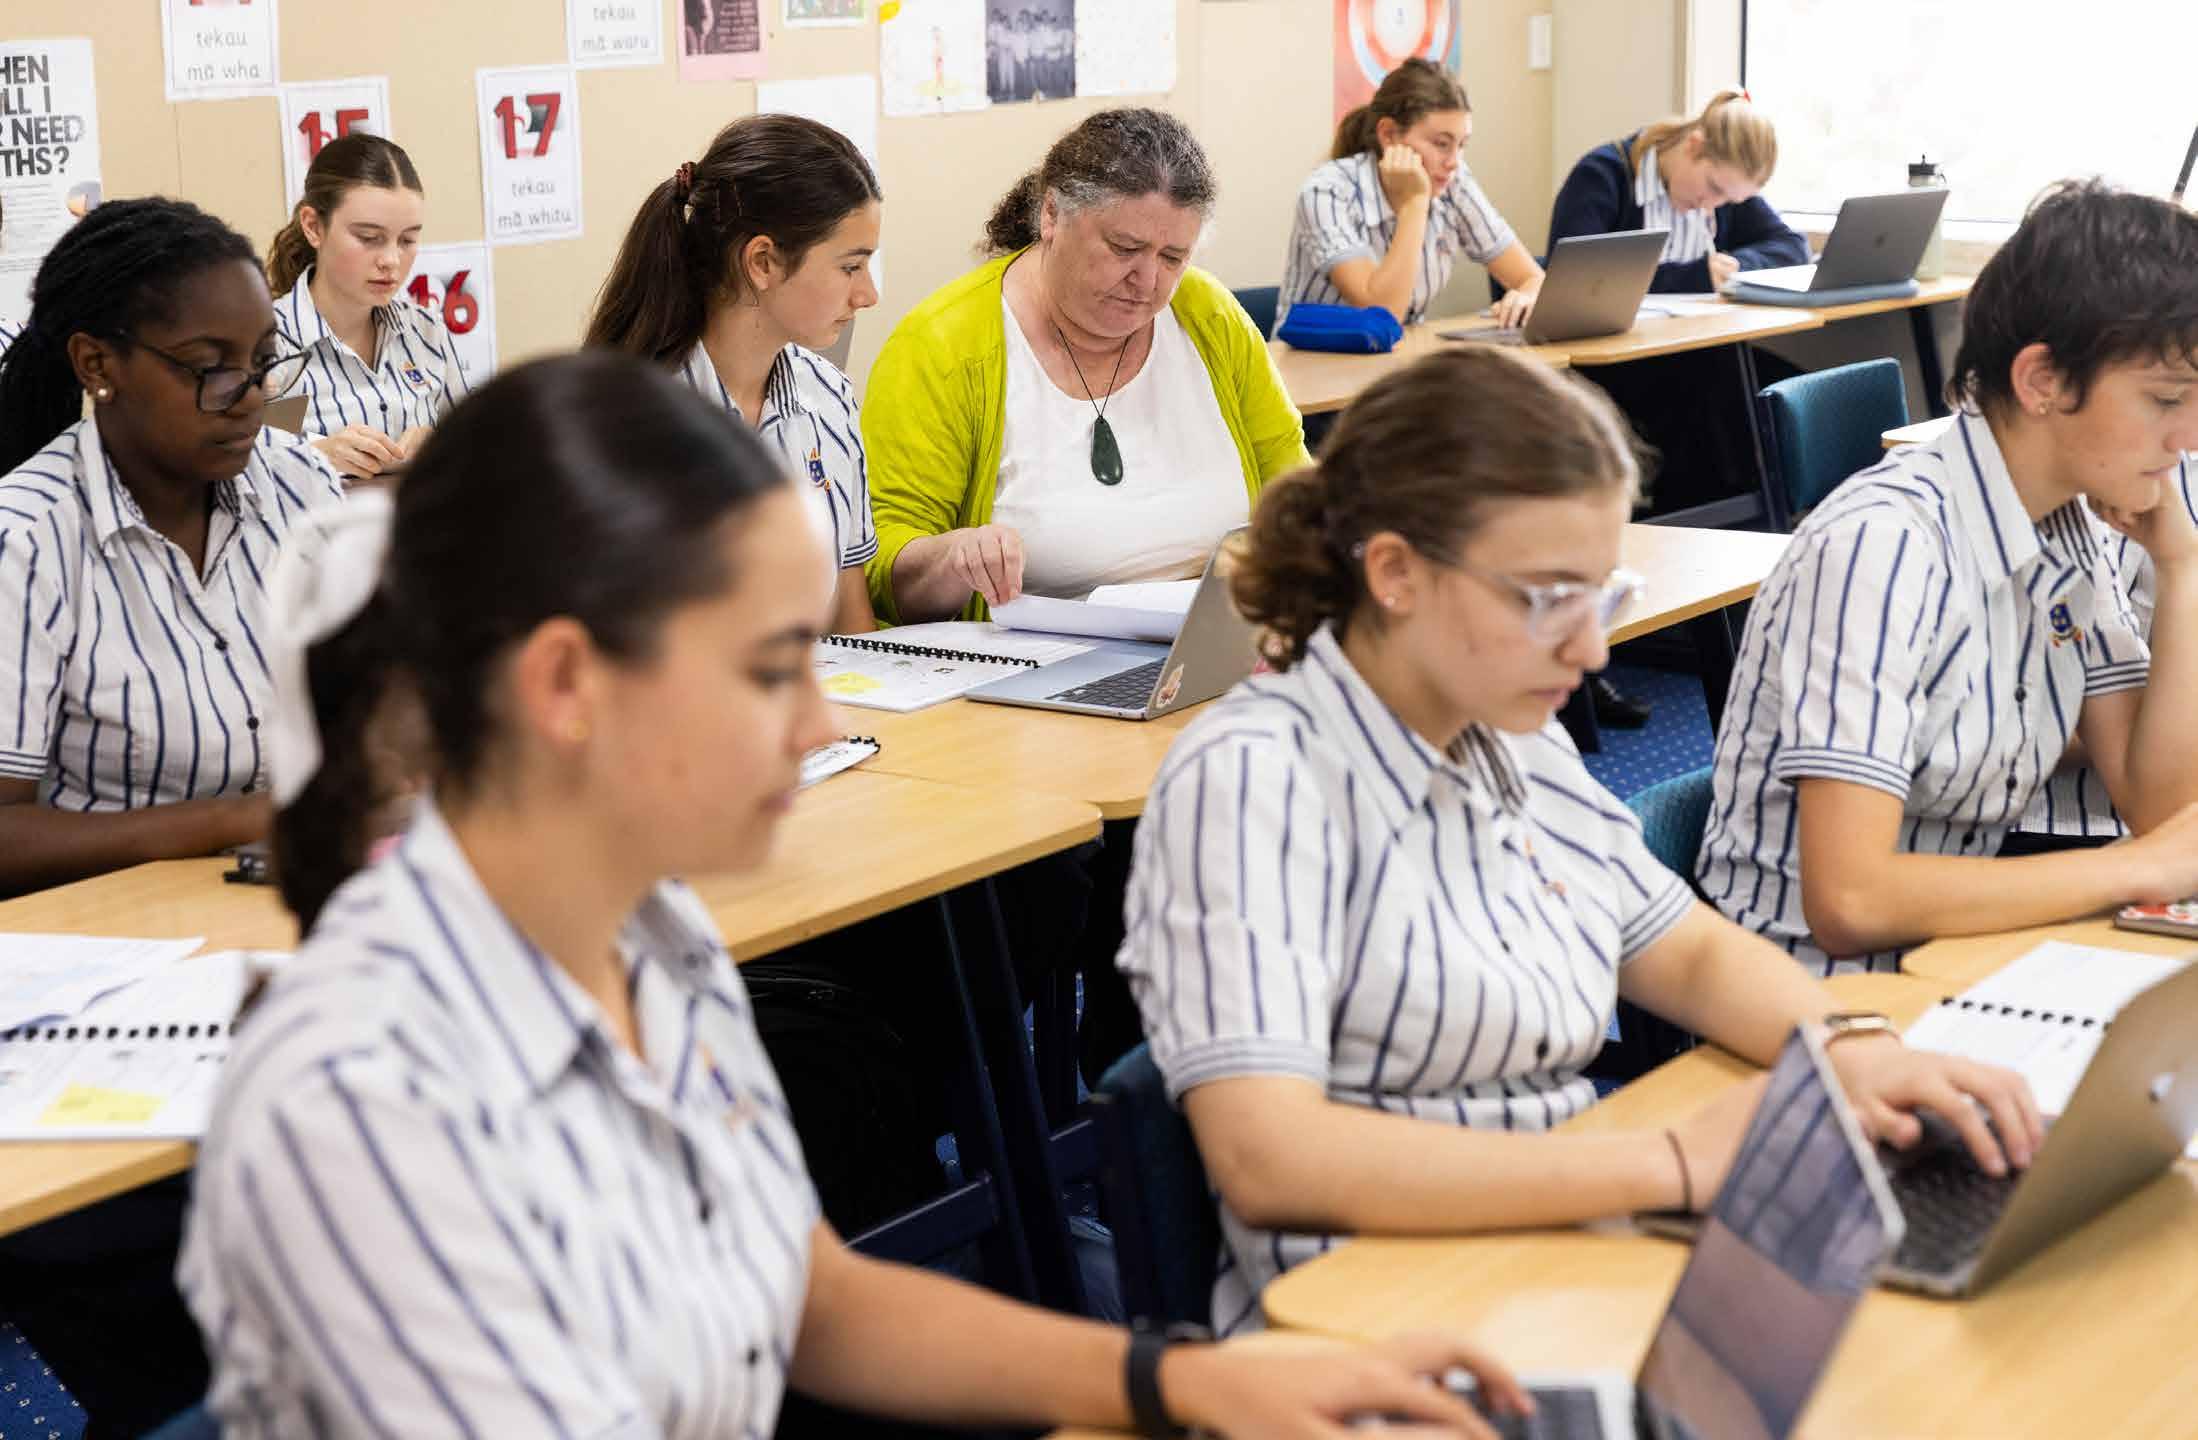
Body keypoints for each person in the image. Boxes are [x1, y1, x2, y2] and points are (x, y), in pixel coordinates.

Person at [179, 348, 1532, 1440]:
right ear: (566, 685)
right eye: (773, 667)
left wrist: (1180, 1382)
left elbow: (810, 1296)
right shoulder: (362, 1095)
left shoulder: (653, 937)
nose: (823, 721)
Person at [1115, 346, 2041, 1337]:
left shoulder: (1505, 732)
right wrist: (1669, 1163)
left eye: (1600, 597)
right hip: (1381, 1317)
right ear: (1394, 572)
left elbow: (1684, 950)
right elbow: (1272, 1161)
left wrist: (1848, 1047)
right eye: (1548, 597)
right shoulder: (1253, 779)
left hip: (1559, 1241)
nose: (1593, 650)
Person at [1697, 179, 2198, 973]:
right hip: (1808, 995)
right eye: (2167, 399)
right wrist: (2139, 869)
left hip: (1947, 954)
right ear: (2042, 381)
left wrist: (2183, 566)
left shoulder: (2066, 523)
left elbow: (2161, 807)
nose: (2190, 436)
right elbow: (1850, 901)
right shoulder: (1883, 547)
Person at [0, 197, 338, 898]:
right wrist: (236, 820)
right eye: (210, 368)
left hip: (291, 906)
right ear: (97, 364)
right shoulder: (26, 541)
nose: (251, 396)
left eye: (263, 362)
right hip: (106, 938)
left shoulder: (301, 486)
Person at [864, 107, 1307, 623]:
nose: (1148, 281)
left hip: (1219, 637)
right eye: (1124, 248)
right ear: (1051, 215)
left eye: (1173, 258)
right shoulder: (943, 345)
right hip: (1040, 658)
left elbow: (1293, 486)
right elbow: (880, 566)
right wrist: (952, 558)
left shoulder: (1208, 316)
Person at [588, 113, 880, 634]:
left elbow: (852, 626)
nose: (868, 295)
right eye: (850, 267)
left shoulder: (829, 397)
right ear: (763, 262)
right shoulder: (632, 422)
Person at [1277, 58, 1546, 333]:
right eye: (1441, 144)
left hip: (1400, 353)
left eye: (1461, 145)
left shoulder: (1454, 181)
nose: (1454, 162)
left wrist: (1527, 296)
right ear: (1388, 135)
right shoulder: (1326, 192)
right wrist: (1414, 204)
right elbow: (1382, 314)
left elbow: (1533, 278)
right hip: (1312, 357)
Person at [265, 133, 467, 481]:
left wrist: (442, 444)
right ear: (313, 227)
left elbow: (479, 452)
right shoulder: (265, 343)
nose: (391, 260)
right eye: (369, 238)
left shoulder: (426, 332)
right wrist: (315, 455)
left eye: (407, 240)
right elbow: (229, 471)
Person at [1547, 88, 1805, 295]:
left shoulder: (1724, 192)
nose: (1711, 206)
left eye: (1730, 199)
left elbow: (1793, 247)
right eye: (1714, 188)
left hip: (1702, 338)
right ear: (1694, 146)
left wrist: (1734, 267)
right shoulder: (1602, 177)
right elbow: (1570, 278)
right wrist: (1692, 278)